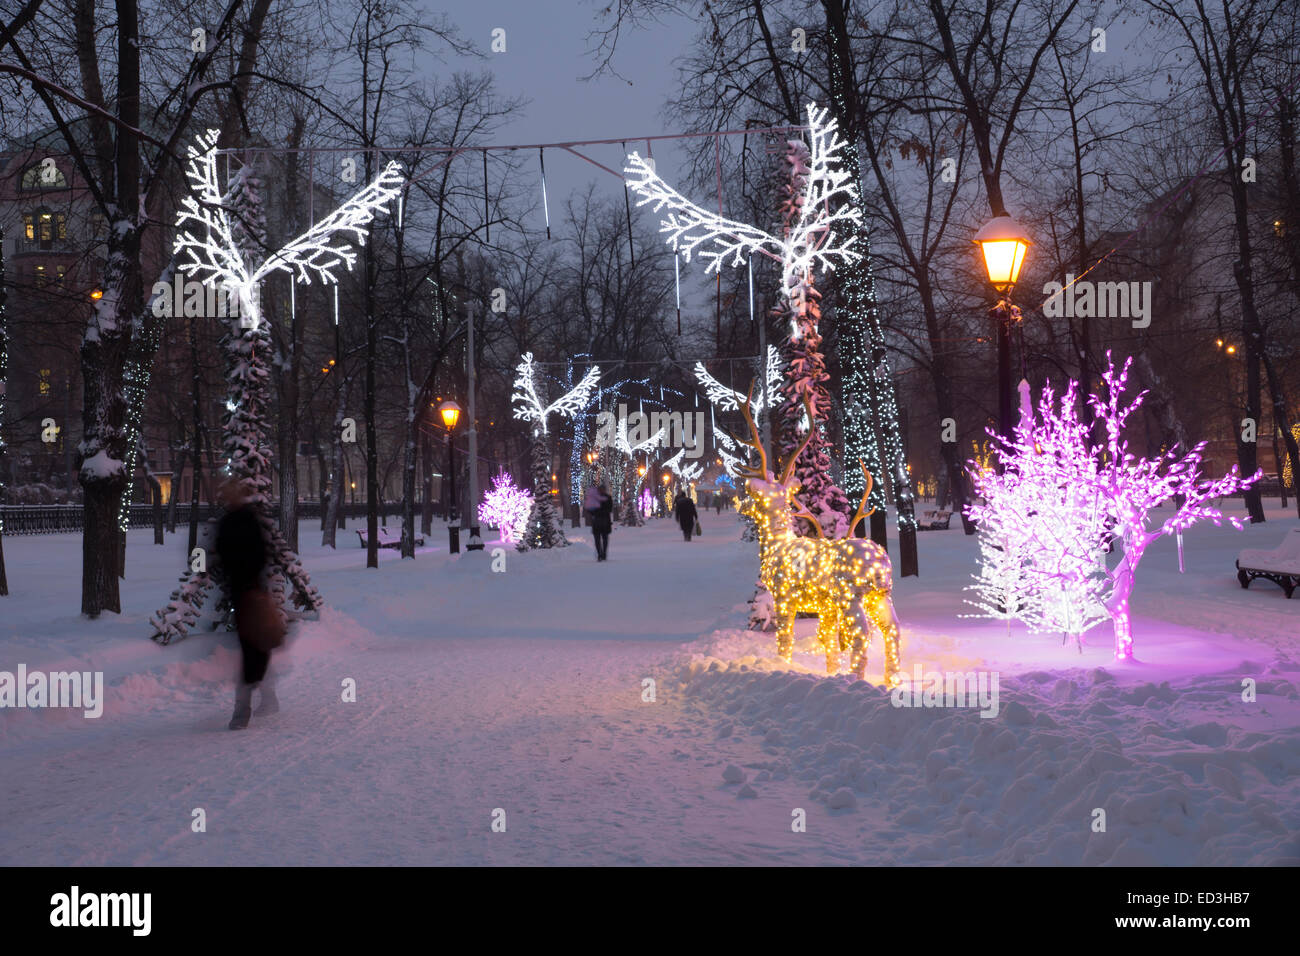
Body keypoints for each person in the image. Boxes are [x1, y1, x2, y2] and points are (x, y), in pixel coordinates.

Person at [215, 476, 278, 730]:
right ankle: (265, 697)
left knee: (253, 652)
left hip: (248, 595)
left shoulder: (243, 521)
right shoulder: (238, 521)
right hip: (245, 594)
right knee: (255, 651)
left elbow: (255, 556)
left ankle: (242, 712)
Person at [589, 483, 613, 561]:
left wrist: (596, 513)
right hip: (603, 520)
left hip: (599, 520)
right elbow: (609, 509)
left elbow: (591, 509)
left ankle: (601, 554)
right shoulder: (607, 498)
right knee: (602, 538)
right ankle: (602, 554)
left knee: (600, 538)